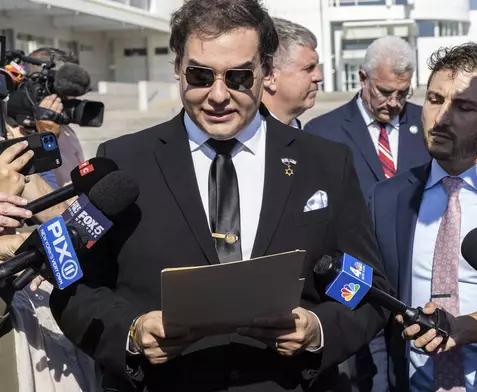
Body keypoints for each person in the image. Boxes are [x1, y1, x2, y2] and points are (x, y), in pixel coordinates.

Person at [49, 1, 391, 391]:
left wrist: (318, 330)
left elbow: (370, 288)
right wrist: (131, 332)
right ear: (178, 67)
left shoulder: (326, 163)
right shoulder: (122, 162)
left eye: (239, 77)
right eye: (199, 74)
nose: (217, 95)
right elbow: (73, 287)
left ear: (266, 70)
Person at [368, 42, 477, 392]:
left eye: (464, 106)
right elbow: (373, 311)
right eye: (435, 99)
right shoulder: (387, 199)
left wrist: (468, 328)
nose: (441, 117)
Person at [304, 36, 429, 198]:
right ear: (363, 79)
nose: (394, 103)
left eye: (403, 93)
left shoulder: (427, 123)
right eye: (385, 92)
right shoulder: (323, 132)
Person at [26, 47, 86, 187]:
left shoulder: (65, 129)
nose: (73, 96)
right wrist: (44, 139)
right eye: (68, 87)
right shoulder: (14, 134)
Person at [261, 18, 322, 129]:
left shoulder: (298, 130)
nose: (319, 77)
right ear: (269, 75)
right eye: (309, 68)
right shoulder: (245, 140)